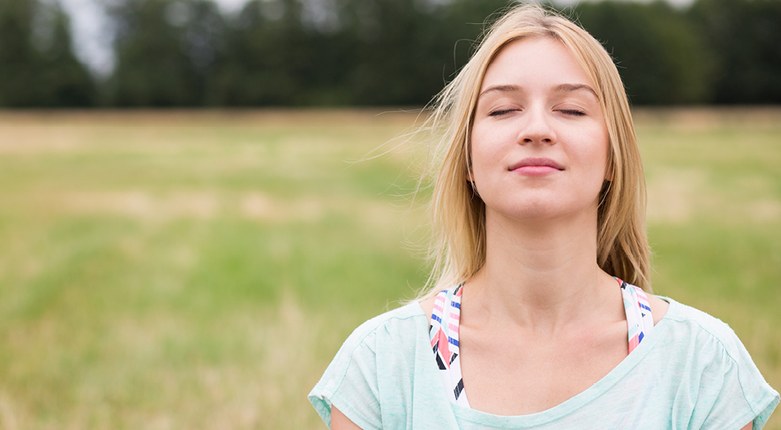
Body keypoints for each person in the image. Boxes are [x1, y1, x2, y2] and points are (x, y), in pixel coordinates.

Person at [308, 4, 779, 429]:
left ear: (613, 155)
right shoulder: (381, 365)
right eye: (503, 110)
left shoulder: (702, 363)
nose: (536, 129)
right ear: (468, 158)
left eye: (571, 109)